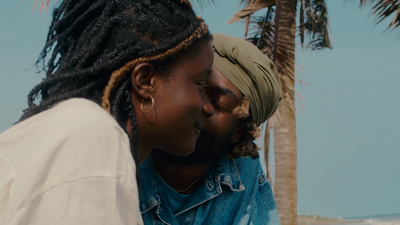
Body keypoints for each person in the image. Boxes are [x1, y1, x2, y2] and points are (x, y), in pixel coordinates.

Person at [0, 0, 214, 224]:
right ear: (145, 81)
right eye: (200, 84)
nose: (207, 107)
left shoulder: (74, 130)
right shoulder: (93, 137)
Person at [139, 33, 282, 225]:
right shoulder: (118, 150)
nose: (198, 104)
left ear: (238, 131)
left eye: (219, 102)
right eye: (196, 87)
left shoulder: (243, 174)